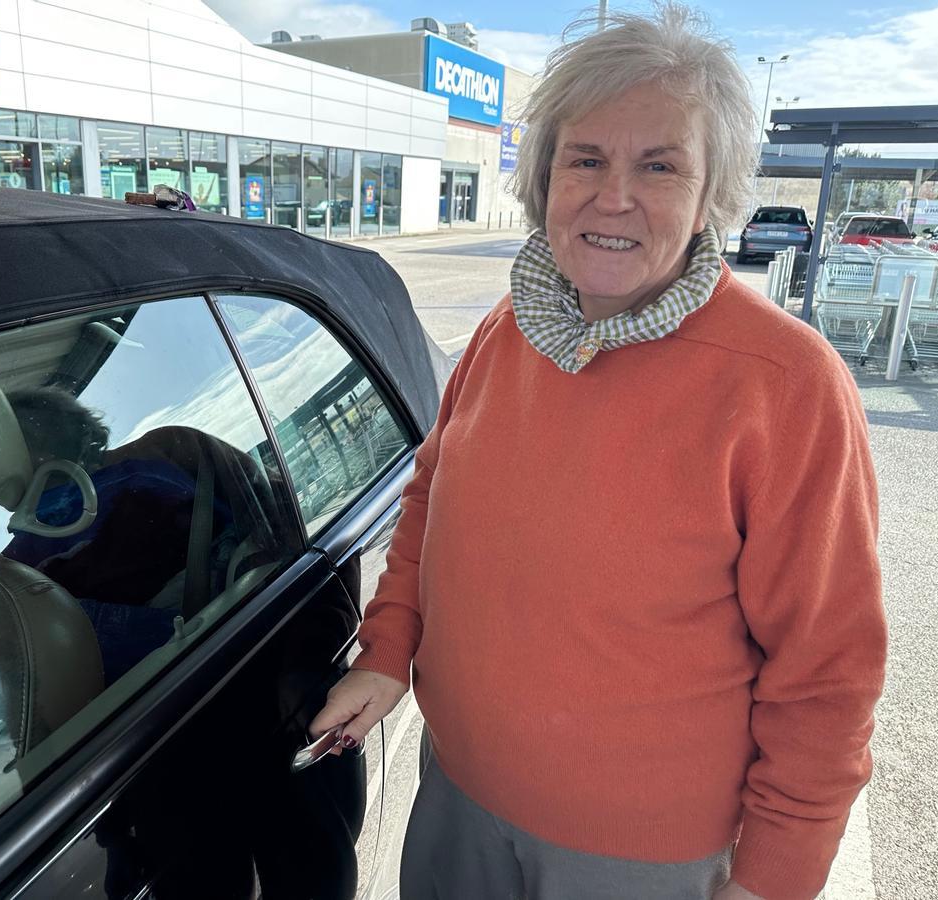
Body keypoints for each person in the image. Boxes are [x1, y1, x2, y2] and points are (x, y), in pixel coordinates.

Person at [309, 5, 886, 900]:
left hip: (638, 856)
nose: (613, 197)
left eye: (659, 166)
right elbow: (433, 499)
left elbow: (827, 672)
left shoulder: (785, 383)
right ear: (543, 178)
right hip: (458, 795)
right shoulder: (513, 326)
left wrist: (776, 877)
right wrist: (389, 649)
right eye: (586, 159)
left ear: (709, 196)